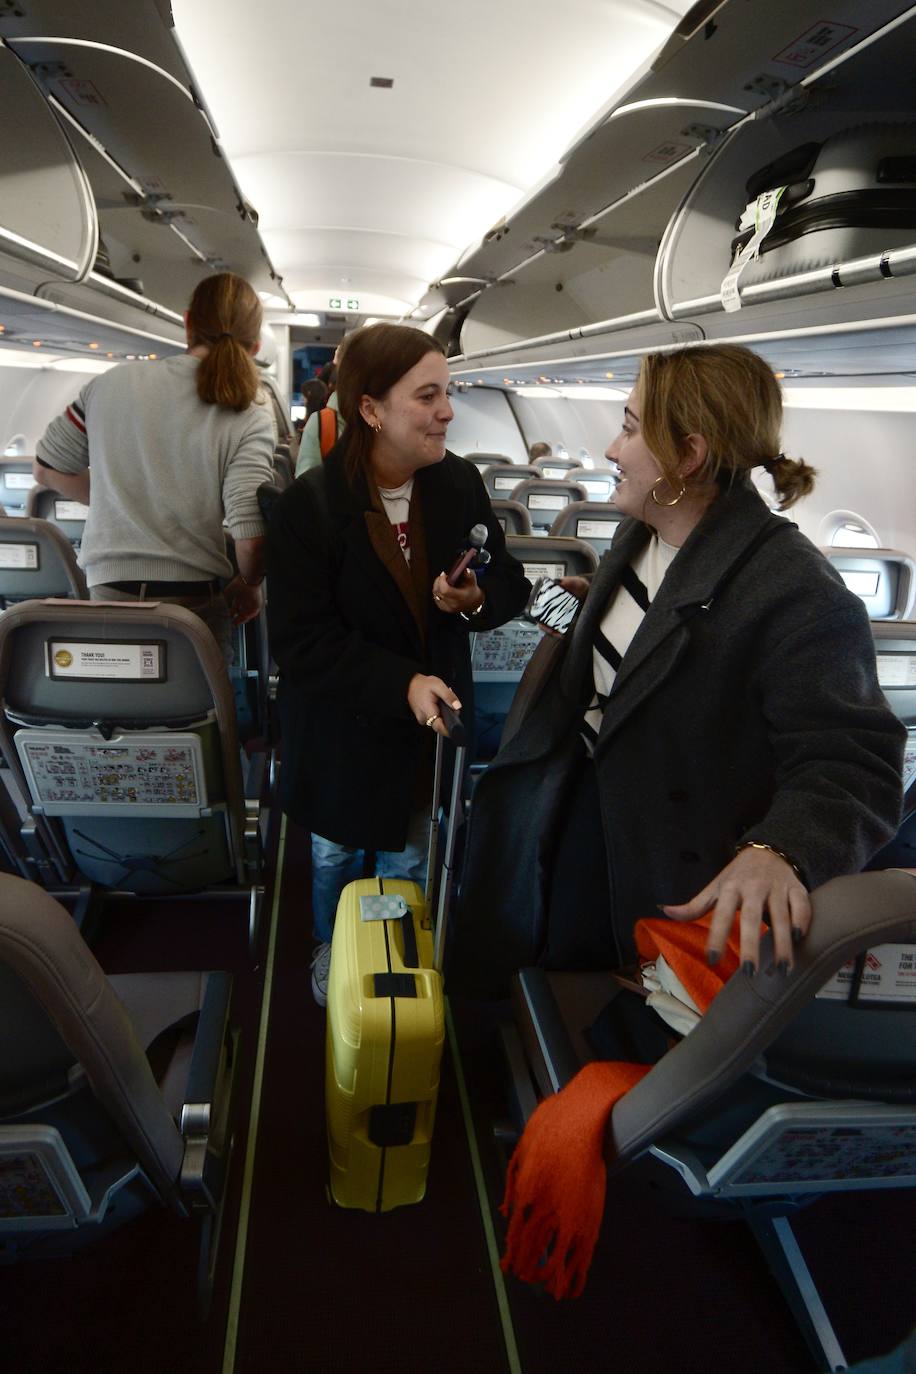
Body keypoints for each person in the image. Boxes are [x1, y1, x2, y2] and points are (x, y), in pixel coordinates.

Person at [450, 343, 905, 997]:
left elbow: (855, 762)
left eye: (631, 428)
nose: (611, 448)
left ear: (688, 457)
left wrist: (779, 850)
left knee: (597, 1014)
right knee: (528, 966)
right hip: (569, 797)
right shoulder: (646, 535)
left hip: (663, 856)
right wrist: (515, 603)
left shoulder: (796, 591)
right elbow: (620, 644)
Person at [267, 323, 530, 1004]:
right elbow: (301, 644)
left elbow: (512, 585)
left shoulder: (459, 485)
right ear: (371, 408)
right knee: (335, 858)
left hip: (426, 730)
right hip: (340, 727)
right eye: (427, 395)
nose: (447, 410)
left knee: (411, 855)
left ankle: (399, 958)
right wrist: (401, 683)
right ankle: (336, 950)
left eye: (449, 393)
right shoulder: (310, 507)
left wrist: (476, 600)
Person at [33, 272, 275, 662]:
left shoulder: (108, 384)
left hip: (107, 595)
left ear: (187, 324)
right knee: (197, 717)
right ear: (256, 345)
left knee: (112, 712)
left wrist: (118, 498)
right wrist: (250, 584)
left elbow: (47, 469)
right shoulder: (250, 413)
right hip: (191, 608)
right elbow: (250, 537)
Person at [295, 363, 342, 475]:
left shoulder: (319, 422)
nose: (302, 399)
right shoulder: (322, 422)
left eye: (304, 395)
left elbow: (304, 480)